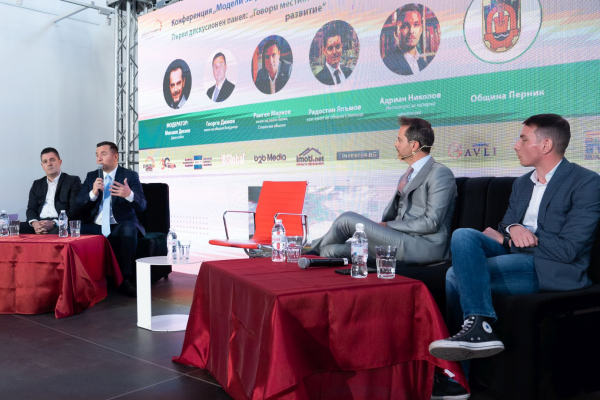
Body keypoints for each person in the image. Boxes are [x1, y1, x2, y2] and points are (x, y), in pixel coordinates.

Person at [428, 114, 600, 399]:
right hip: (516, 254)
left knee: (454, 275)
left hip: (552, 268)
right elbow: (504, 225)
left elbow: (569, 250)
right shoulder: (522, 184)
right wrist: (512, 229)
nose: (516, 145)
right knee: (464, 235)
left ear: (545, 145)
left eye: (523, 139)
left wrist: (513, 239)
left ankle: (458, 376)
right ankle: (479, 328)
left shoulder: (586, 183)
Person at [310, 117, 456, 265]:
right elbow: (391, 214)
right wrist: (399, 193)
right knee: (330, 251)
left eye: (399, 140)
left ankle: (310, 253)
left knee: (347, 220)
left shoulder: (440, 173)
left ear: (414, 145)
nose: (395, 144)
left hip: (422, 246)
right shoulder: (407, 175)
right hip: (397, 239)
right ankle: (314, 257)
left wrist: (388, 226)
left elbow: (431, 222)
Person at [75, 141, 147, 296]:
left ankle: (125, 279)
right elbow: (77, 204)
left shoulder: (129, 175)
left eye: (103, 154)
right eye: (97, 155)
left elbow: (142, 205)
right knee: (71, 229)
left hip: (119, 224)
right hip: (96, 225)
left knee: (129, 228)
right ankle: (78, 280)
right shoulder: (92, 176)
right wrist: (93, 193)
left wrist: (129, 195)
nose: (99, 158)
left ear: (115, 156)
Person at [23, 147, 81, 235]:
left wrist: (54, 222)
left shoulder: (72, 181)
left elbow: (74, 209)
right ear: (42, 166)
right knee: (12, 228)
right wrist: (35, 223)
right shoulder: (37, 184)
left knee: (57, 232)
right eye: (45, 161)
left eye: (52, 160)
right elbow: (31, 209)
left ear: (60, 162)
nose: (49, 164)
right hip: (39, 222)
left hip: (59, 223)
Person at [382, 4, 428, 75]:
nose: (411, 31)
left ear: (421, 30)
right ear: (396, 32)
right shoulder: (388, 64)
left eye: (416, 25)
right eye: (405, 26)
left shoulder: (423, 64)